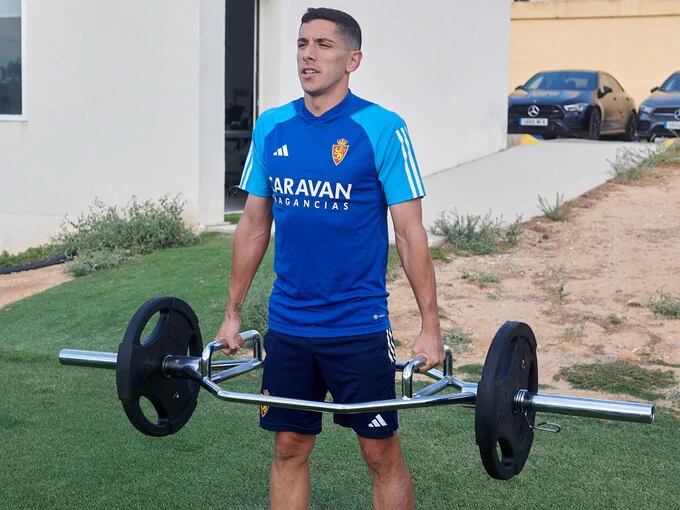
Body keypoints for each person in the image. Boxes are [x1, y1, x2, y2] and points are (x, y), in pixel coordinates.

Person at [215, 7, 444, 510]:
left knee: (379, 452)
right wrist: (232, 313)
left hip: (357, 324)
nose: (307, 55)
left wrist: (431, 327)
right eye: (301, 44)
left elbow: (409, 233)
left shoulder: (382, 128)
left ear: (353, 59)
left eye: (323, 45)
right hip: (290, 325)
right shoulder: (272, 128)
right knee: (289, 446)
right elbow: (254, 225)